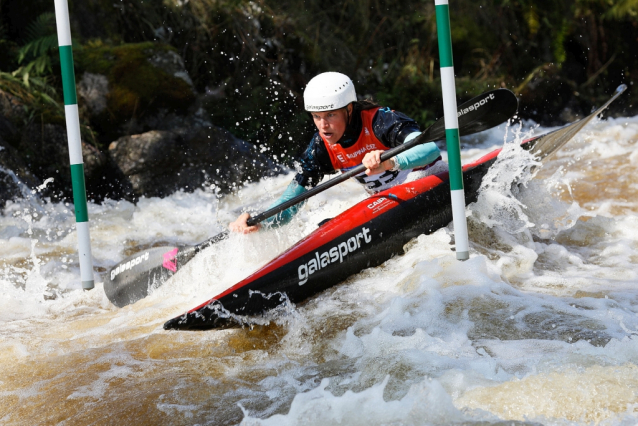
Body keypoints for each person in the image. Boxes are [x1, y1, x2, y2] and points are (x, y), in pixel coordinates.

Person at [229, 72, 447, 234]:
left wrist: (389, 162)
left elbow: (429, 149)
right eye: (316, 117)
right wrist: (260, 222)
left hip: (431, 181)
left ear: (349, 110)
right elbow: (291, 203)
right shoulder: (321, 148)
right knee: (323, 227)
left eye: (331, 115)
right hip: (387, 204)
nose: (323, 126)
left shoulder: (380, 121)